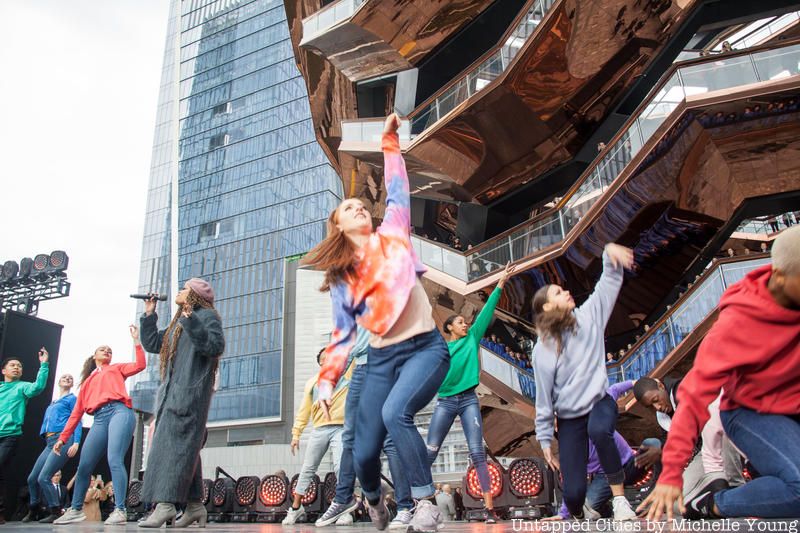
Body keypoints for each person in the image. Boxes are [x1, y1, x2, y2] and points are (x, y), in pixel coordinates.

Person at [301, 114, 450, 532]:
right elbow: (342, 335)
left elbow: (398, 188)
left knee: (395, 414)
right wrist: (327, 382)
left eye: (362, 205)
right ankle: (373, 501)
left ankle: (422, 502)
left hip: (424, 347)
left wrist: (389, 143)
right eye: (349, 207)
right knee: (363, 451)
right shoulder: (342, 278)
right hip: (381, 360)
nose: (359, 207)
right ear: (338, 226)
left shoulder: (394, 232)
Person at [639, 226, 800, 521]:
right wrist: (672, 473)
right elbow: (694, 399)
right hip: (750, 410)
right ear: (781, 278)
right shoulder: (737, 325)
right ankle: (715, 504)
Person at [532, 243, 638, 521]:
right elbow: (544, 398)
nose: (566, 291)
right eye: (558, 292)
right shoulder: (542, 349)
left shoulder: (589, 316)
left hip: (599, 402)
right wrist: (544, 439)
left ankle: (620, 502)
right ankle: (571, 513)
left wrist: (610, 253)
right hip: (569, 418)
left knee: (601, 430)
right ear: (546, 306)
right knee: (575, 492)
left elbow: (609, 283)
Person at [428, 263, 515, 523]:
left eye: (466, 322)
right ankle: (417, 500)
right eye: (461, 322)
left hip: (468, 400)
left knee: (478, 452)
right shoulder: (441, 349)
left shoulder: (471, 338)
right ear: (450, 328)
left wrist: (501, 283)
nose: (466, 324)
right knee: (430, 452)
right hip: (445, 402)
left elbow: (487, 312)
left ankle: (489, 509)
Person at [138, 279, 225, 528]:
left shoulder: (207, 316)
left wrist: (189, 318)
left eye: (184, 288)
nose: (179, 291)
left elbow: (215, 346)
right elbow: (155, 344)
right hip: (170, 395)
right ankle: (195, 506)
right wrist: (149, 314)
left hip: (190, 396)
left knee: (172, 449)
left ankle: (165, 504)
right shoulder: (179, 321)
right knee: (187, 450)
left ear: (194, 295)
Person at [314, 327, 414, 530]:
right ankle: (343, 499)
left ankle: (405, 506)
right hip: (361, 367)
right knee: (350, 438)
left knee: (389, 439)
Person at [53, 325, 146, 525]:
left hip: (119, 411)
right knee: (84, 465)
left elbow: (140, 365)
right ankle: (76, 509)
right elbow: (76, 414)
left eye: (109, 350)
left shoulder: (116, 368)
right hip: (99, 419)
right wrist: (62, 438)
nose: (107, 351)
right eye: (102, 349)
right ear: (94, 355)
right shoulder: (86, 383)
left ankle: (120, 510)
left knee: (114, 458)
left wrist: (136, 340)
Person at [546, 381, 662, 520]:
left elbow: (615, 389)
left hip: (630, 464)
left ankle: (660, 494)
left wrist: (635, 382)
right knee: (589, 506)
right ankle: (605, 509)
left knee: (653, 443)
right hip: (605, 478)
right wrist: (562, 514)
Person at [633, 376, 744, 503]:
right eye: (651, 406)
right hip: (707, 452)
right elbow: (669, 441)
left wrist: (664, 448)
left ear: (661, 386)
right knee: (679, 500)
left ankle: (737, 489)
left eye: (656, 400)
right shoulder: (663, 415)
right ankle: (712, 503)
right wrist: (659, 448)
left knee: (724, 435)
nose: (657, 407)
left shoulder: (684, 390)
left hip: (725, 436)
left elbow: (685, 433)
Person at [282, 349, 350, 525]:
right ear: (320, 361)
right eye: (325, 356)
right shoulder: (312, 383)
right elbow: (304, 410)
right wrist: (296, 434)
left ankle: (344, 508)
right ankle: (296, 508)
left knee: (341, 467)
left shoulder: (346, 375)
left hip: (341, 428)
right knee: (308, 468)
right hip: (319, 429)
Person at [0, 348, 49, 523]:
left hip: (10, 435)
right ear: (3, 370)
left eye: (19, 366)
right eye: (12, 365)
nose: (17, 368)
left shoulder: (22, 387)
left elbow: (38, 387)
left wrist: (44, 365)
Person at [24, 372, 81, 523]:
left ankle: (56, 511)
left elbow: (77, 420)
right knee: (32, 479)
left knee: (44, 478)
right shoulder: (54, 402)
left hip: (62, 439)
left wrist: (76, 442)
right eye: (64, 377)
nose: (68, 379)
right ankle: (34, 508)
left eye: (70, 378)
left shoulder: (72, 399)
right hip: (49, 442)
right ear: (59, 382)